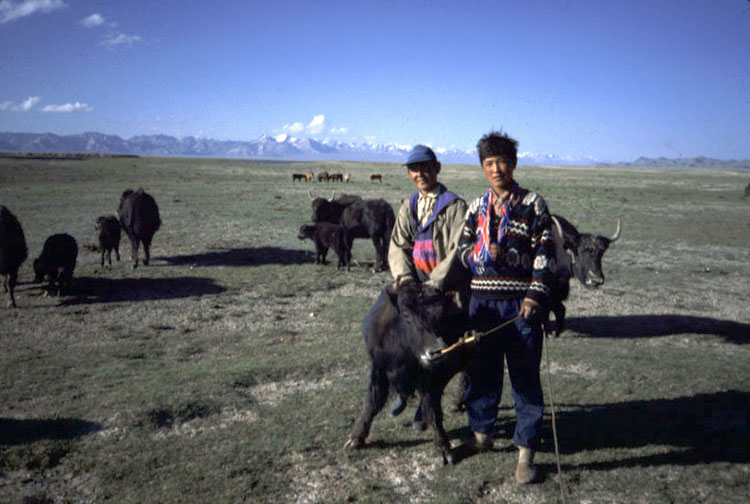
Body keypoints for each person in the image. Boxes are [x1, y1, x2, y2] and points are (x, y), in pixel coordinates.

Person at [455, 131, 555, 484]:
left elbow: (545, 252)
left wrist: (534, 295)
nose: (496, 169)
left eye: (501, 162)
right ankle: (481, 437)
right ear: (483, 167)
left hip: (520, 305)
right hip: (482, 305)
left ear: (513, 163)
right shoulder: (475, 207)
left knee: (525, 379)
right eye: (488, 163)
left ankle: (526, 454)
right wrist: (480, 255)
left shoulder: (533, 204)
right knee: (482, 375)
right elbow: (462, 251)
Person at [387, 144, 468, 428]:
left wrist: (435, 284)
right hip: (415, 284)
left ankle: (427, 404)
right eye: (413, 169)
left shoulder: (455, 206)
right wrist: (406, 278)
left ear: (437, 169)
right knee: (390, 326)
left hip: (445, 286)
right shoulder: (408, 206)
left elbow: (459, 249)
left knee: (439, 345)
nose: (419, 174)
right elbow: (398, 244)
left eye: (425, 168)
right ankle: (401, 388)